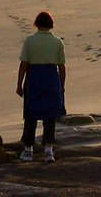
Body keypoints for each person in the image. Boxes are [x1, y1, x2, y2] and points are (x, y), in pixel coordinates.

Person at [16, 11, 66, 163]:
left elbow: (23, 64)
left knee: (30, 114)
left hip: (34, 79)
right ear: (51, 24)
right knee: (49, 116)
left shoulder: (30, 41)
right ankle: (48, 151)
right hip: (51, 79)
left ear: (36, 24)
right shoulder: (58, 42)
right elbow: (62, 67)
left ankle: (27, 151)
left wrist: (19, 84)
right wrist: (61, 86)